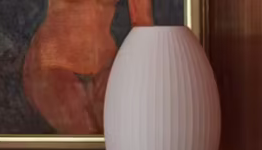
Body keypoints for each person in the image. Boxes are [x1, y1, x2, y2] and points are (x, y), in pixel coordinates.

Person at [20, 0, 158, 135]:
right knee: (86, 134)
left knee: (120, 136)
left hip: (108, 70)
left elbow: (143, 26)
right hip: (52, 67)